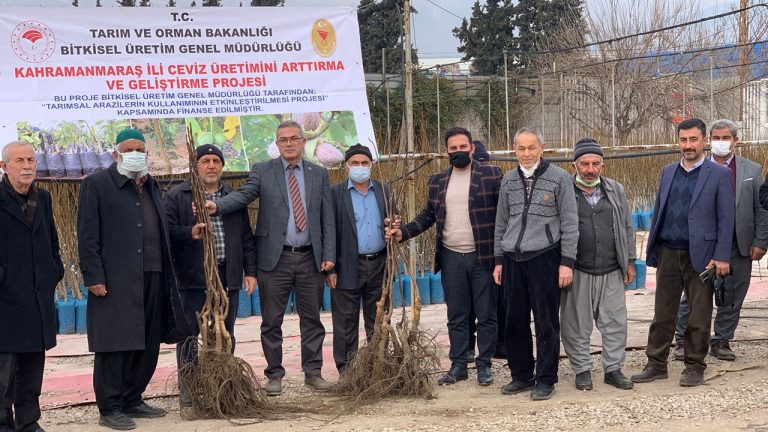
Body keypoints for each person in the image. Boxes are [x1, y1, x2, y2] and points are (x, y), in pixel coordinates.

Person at [204, 120, 335, 396]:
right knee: (271, 321)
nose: (288, 143)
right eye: (283, 139)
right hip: (275, 259)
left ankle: (313, 372)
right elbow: (243, 195)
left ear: (302, 141)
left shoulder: (318, 173)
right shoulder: (263, 171)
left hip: (311, 257)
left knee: (312, 319)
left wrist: (329, 255)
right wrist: (217, 206)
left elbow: (327, 218)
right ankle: (274, 374)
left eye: (293, 138)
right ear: (277, 144)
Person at [77, 129, 191, 430]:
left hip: (155, 274)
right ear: (116, 154)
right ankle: (110, 406)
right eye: (129, 149)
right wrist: (94, 275)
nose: (135, 154)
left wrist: (185, 235)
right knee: (115, 342)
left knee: (148, 339)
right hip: (115, 278)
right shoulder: (97, 185)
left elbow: (161, 229)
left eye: (140, 149)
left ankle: (132, 397)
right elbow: (87, 236)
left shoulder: (152, 186)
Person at [387, 127, 502, 387]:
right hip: (451, 256)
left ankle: (484, 365)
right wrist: (403, 232)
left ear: (472, 148)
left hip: (483, 256)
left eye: (463, 147)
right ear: (446, 151)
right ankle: (459, 364)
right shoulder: (438, 180)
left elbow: (503, 215)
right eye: (453, 148)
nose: (459, 152)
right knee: (457, 314)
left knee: (486, 314)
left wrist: (501, 256)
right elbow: (428, 215)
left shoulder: (491, 175)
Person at [630, 118, 734, 387]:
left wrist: (722, 256)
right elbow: (659, 212)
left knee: (699, 314)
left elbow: (726, 218)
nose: (688, 145)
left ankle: (694, 365)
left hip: (702, 256)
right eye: (683, 140)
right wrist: (652, 249)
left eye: (693, 140)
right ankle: (656, 363)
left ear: (704, 141)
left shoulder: (719, 174)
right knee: (663, 313)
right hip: (668, 252)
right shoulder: (668, 172)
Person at [164, 144, 258, 404]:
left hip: (227, 276)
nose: (211, 166)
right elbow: (165, 233)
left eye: (216, 161)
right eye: (205, 160)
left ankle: (223, 388)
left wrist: (250, 271)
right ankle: (191, 392)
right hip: (192, 278)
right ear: (196, 166)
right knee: (189, 336)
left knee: (224, 332)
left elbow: (246, 238)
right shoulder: (177, 196)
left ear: (222, 166)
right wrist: (189, 232)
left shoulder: (233, 197)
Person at [493, 127, 578, 401]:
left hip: (544, 257)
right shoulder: (507, 180)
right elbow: (501, 223)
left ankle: (545, 378)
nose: (526, 153)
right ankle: (521, 375)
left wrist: (567, 262)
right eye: (521, 148)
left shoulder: (560, 179)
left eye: (532, 147)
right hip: (512, 260)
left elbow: (569, 223)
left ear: (543, 147)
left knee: (546, 322)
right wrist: (498, 260)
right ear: (514, 150)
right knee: (514, 321)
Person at [674, 119, 767, 361]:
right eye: (716, 138)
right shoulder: (696, 168)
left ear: (735, 141)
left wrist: (760, 240)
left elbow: (761, 208)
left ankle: (722, 339)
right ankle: (683, 338)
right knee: (694, 291)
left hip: (739, 241)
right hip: (703, 242)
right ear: (708, 140)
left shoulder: (751, 170)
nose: (721, 143)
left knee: (733, 293)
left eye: (726, 138)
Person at [560, 138, 635, 391]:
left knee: (615, 322)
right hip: (577, 270)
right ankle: (582, 370)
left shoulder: (616, 190)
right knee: (576, 324)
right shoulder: (565, 191)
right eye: (584, 164)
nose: (590, 169)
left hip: (612, 268)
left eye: (595, 164)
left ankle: (613, 369)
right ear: (575, 165)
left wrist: (630, 261)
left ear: (602, 165)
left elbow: (626, 227)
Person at [0, 141, 63, 432]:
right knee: (4, 373)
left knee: (32, 369)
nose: (27, 166)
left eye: (31, 160)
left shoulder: (44, 198)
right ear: (4, 166)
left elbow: (51, 241)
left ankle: (28, 422)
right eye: (19, 160)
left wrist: (54, 271)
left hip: (37, 299)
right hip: (6, 301)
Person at [326, 144, 394, 374]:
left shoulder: (384, 190)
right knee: (345, 320)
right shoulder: (335, 193)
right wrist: (330, 266)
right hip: (346, 265)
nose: (360, 167)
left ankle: (378, 366)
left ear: (371, 164)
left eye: (364, 163)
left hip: (379, 263)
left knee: (378, 316)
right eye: (355, 163)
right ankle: (348, 369)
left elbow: (393, 224)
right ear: (346, 166)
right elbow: (329, 230)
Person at [466, 140, 507, 361]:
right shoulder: (458, 184)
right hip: (464, 254)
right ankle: (468, 347)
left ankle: (496, 345)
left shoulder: (495, 180)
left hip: (491, 253)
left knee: (494, 305)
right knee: (467, 308)